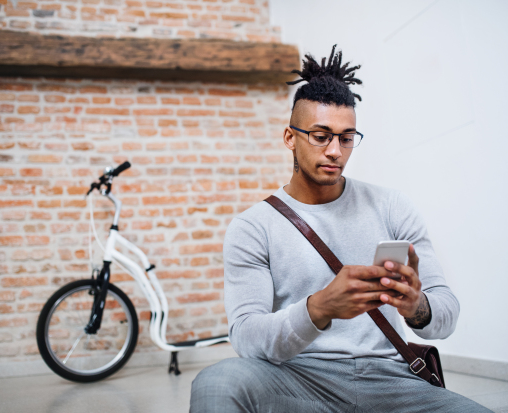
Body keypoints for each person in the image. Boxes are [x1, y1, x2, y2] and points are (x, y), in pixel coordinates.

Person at [190, 45, 490, 412]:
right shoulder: (253, 226)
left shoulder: (391, 206)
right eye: (321, 136)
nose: (335, 151)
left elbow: (446, 313)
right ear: (290, 138)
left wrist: (417, 307)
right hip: (300, 380)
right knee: (217, 382)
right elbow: (247, 337)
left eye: (346, 138)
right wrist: (318, 308)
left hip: (391, 381)